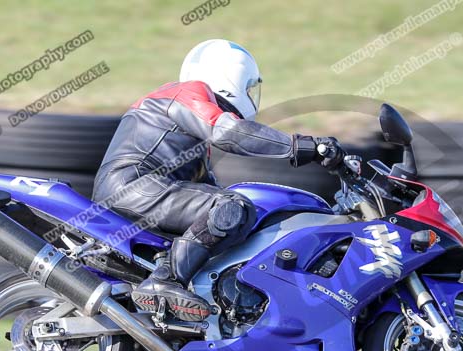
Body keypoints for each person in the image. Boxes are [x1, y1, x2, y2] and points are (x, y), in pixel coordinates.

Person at [92, 39, 344, 321]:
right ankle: (166, 280)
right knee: (233, 206)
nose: (251, 95)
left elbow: (209, 190)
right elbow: (230, 133)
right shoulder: (188, 93)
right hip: (133, 185)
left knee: (230, 212)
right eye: (249, 87)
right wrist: (303, 147)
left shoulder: (192, 129)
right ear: (231, 76)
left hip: (142, 189)